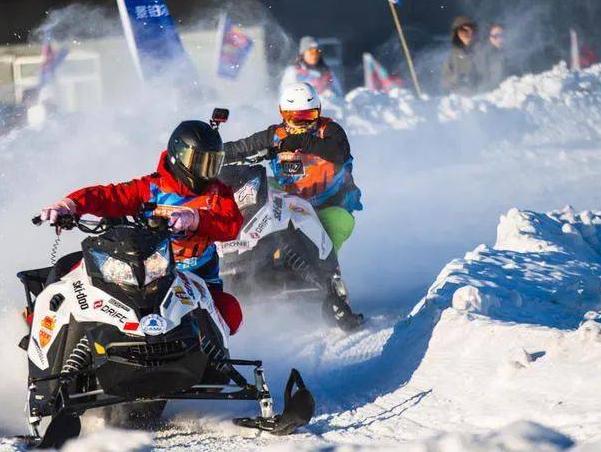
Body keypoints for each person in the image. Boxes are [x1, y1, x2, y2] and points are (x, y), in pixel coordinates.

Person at [40, 120, 245, 335]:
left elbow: (231, 225)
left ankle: (214, 361)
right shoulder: (151, 188)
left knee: (229, 313)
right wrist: (70, 204)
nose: (206, 174)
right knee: (68, 274)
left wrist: (195, 218)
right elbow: (109, 196)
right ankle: (42, 326)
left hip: (197, 280)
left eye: (212, 165)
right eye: (200, 163)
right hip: (152, 277)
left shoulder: (218, 194)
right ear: (179, 156)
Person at [222, 82, 364, 329]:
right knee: (252, 198)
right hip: (290, 202)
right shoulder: (275, 135)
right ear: (282, 114)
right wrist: (211, 154)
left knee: (325, 233)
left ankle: (331, 286)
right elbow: (242, 148)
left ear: (317, 112)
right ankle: (249, 268)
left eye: (307, 117)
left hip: (332, 206)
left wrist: (301, 142)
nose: (300, 124)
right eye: (293, 118)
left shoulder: (330, 132)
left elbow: (336, 153)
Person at [441, 15, 479, 94]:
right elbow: (445, 81)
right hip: (460, 99)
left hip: (482, 97)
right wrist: (456, 79)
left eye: (472, 30)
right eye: (463, 30)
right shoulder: (452, 55)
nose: (469, 34)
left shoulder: (483, 51)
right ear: (456, 33)